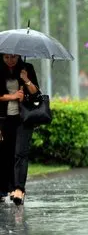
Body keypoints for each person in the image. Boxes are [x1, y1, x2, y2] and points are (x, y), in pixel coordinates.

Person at [0, 54, 39, 205]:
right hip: (3, 119)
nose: (10, 61)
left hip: (23, 118)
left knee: (21, 154)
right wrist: (12, 96)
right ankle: (5, 188)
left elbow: (35, 93)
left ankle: (19, 189)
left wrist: (26, 80)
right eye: (7, 57)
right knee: (5, 153)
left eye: (14, 57)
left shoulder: (27, 69)